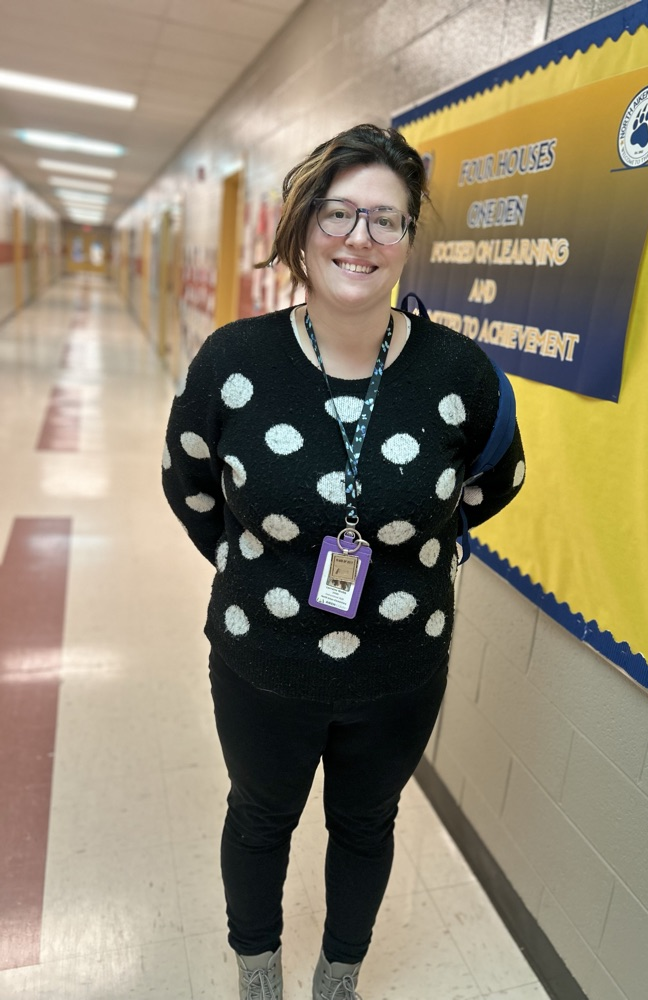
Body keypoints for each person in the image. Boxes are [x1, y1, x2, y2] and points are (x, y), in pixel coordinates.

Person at [161, 123, 525, 1000]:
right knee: (260, 819)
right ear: (301, 224)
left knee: (367, 824)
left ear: (406, 241)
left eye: (386, 220)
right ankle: (258, 975)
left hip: (400, 670)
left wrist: (412, 548)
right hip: (261, 663)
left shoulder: (458, 373)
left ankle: (338, 978)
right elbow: (190, 482)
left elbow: (496, 478)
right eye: (339, 213)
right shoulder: (234, 362)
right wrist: (255, 572)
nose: (360, 238)